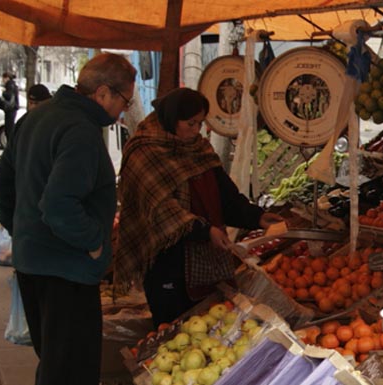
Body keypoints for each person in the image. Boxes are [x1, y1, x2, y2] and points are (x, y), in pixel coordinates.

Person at [0, 53, 136, 385]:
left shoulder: (36, 118)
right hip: (67, 271)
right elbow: (58, 204)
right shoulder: (81, 131)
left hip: (33, 263)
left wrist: (23, 230)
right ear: (102, 93)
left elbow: (0, 185)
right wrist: (93, 242)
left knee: (55, 363)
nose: (123, 110)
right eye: (123, 101)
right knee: (71, 370)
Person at [112, 88, 284, 328]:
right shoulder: (144, 151)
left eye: (200, 123)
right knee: (171, 331)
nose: (196, 131)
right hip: (168, 265)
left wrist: (258, 217)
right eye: (190, 123)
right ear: (172, 119)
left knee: (211, 330)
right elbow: (161, 208)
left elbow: (225, 195)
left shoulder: (199, 148)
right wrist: (204, 230)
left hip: (207, 261)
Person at [1, 72, 19, 140]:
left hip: (10, 109)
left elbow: (9, 95)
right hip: (13, 109)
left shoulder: (9, 85)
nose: (3, 80)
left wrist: (3, 93)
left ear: (7, 78)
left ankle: (10, 145)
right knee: (10, 128)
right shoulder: (14, 85)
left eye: (3, 78)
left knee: (9, 129)